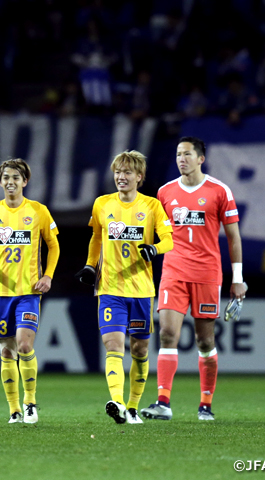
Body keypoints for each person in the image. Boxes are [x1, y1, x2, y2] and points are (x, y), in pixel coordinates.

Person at [141, 136, 247, 422]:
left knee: (204, 340)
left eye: (187, 154)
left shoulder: (219, 191)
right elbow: (155, 235)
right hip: (174, 271)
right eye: (178, 154)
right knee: (167, 334)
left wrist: (238, 278)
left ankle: (205, 404)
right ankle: (163, 402)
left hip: (206, 274)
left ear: (201, 158)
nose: (181, 159)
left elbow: (234, 238)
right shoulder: (164, 193)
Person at [75, 151, 173, 424]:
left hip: (141, 290)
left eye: (128, 172)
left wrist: (154, 248)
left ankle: (132, 407)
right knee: (114, 345)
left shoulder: (152, 206)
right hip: (109, 288)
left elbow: (169, 240)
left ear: (139, 177)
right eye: (118, 171)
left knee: (140, 350)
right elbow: (96, 237)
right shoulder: (102, 204)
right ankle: (117, 402)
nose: (121, 176)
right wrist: (90, 266)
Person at [0, 159, 60, 424]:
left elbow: (54, 247)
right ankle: (13, 410)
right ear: (0, 181)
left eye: (16, 177)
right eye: (6, 177)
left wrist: (48, 276)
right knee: (7, 352)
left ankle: (30, 402)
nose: (11, 182)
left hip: (29, 291)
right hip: (0, 293)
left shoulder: (38, 211)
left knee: (24, 345)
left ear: (25, 181)